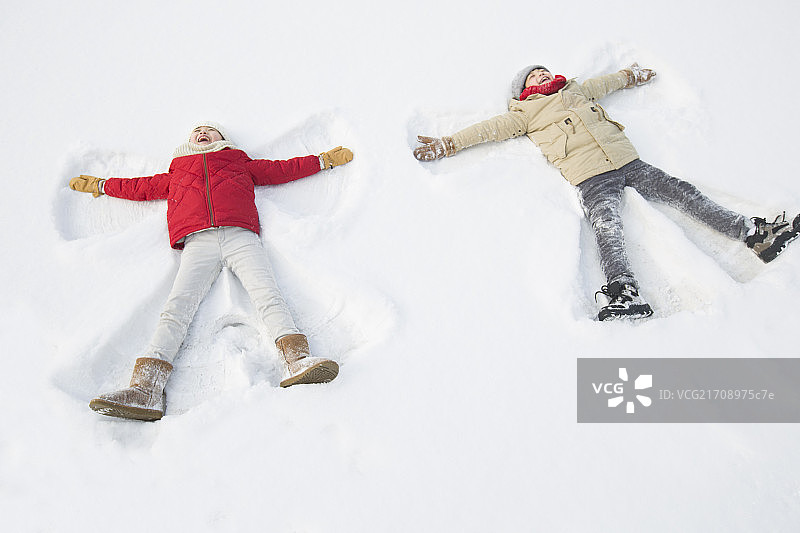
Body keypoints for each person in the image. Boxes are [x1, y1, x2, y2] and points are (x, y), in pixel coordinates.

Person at [413, 64, 800, 321]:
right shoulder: (524, 114)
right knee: (607, 230)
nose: (542, 75)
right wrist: (448, 144)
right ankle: (624, 291)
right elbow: (487, 130)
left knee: (684, 194)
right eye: (534, 76)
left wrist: (631, 75)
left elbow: (609, 83)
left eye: (544, 69)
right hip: (590, 176)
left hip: (628, 161)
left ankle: (754, 234)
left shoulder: (578, 91)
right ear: (524, 90)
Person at [69, 122, 354, 421]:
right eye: (197, 131)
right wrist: (101, 185)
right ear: (189, 141)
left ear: (223, 139)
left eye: (210, 131)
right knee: (176, 309)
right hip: (197, 243)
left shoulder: (237, 161)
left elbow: (281, 169)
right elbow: (139, 187)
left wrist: (322, 160)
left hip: (240, 236)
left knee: (267, 295)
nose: (203, 133)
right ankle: (146, 389)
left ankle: (296, 360)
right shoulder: (177, 170)